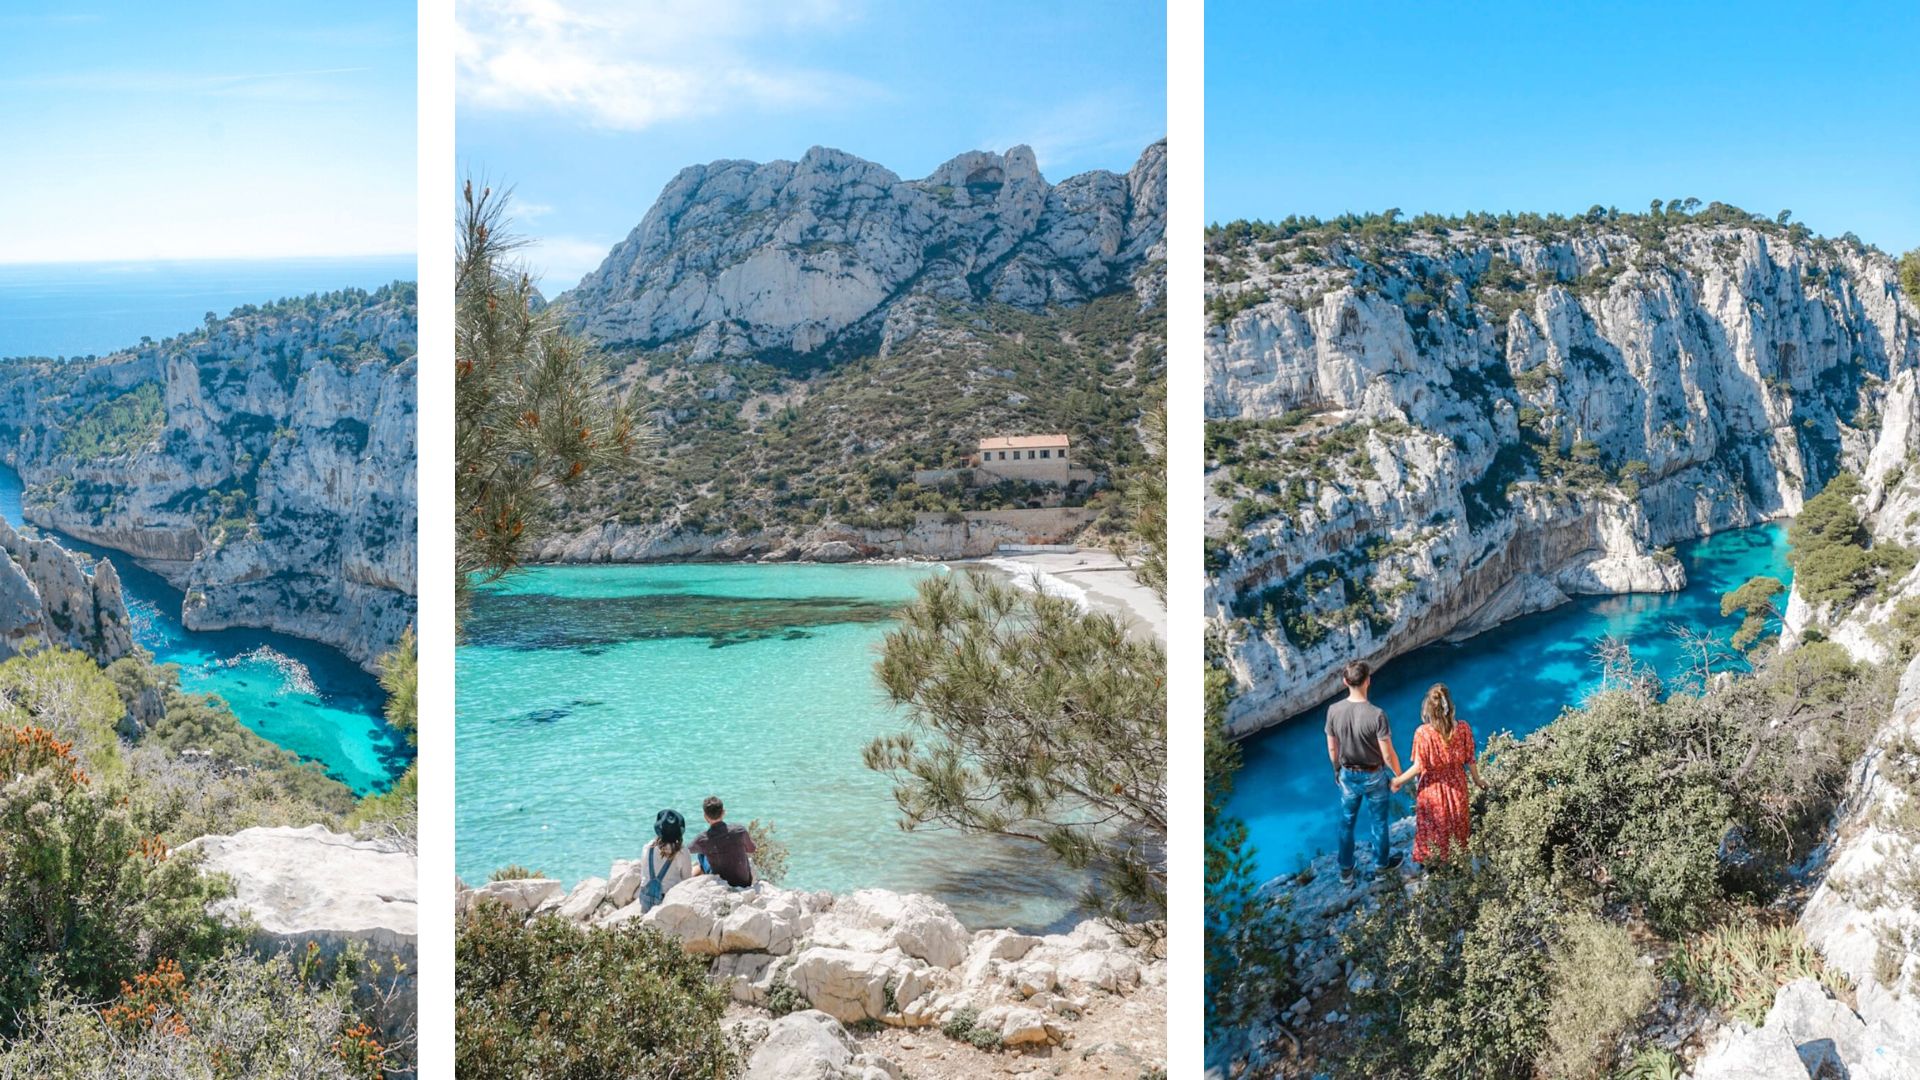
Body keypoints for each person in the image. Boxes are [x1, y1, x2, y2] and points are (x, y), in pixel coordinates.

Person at [1390, 683, 1489, 865]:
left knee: (1432, 830)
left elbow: (1419, 766)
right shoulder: (1463, 728)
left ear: (1428, 708)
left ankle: (1433, 867)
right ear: (1449, 705)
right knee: (1457, 827)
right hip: (1458, 788)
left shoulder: (1423, 733)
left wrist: (1398, 781)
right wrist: (1477, 780)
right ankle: (1458, 864)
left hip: (1432, 791)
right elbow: (1470, 759)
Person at [1326, 660, 1403, 884]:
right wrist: (1398, 776)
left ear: (1345, 682)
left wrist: (1336, 769)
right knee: (1379, 822)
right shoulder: (1377, 714)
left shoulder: (1333, 711)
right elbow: (1388, 755)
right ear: (1368, 681)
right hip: (1374, 775)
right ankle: (1381, 867)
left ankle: (1346, 870)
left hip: (1348, 775)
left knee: (1346, 822)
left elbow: (1332, 747)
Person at [689, 795, 757, 888]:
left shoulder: (702, 839)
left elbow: (687, 850)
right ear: (723, 812)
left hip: (721, 883)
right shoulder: (740, 830)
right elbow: (752, 849)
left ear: (705, 817)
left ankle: (689, 880)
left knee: (701, 855)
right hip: (744, 882)